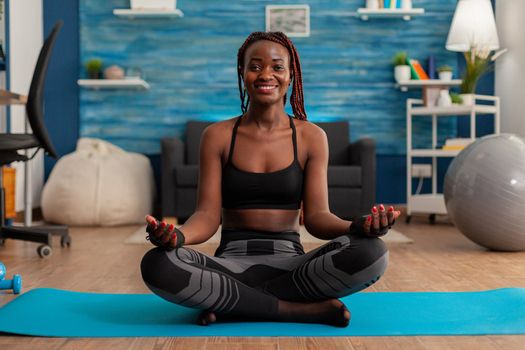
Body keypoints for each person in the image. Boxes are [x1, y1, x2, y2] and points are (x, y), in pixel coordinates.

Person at [141, 31, 401, 327]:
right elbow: (206, 216)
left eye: (277, 67)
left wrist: (359, 226)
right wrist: (178, 236)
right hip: (229, 265)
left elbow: (317, 218)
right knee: (158, 263)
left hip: (292, 266)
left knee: (372, 252)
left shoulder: (311, 137)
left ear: (291, 76)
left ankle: (234, 304)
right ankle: (297, 310)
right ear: (242, 74)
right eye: (255, 66)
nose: (266, 75)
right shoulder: (217, 136)